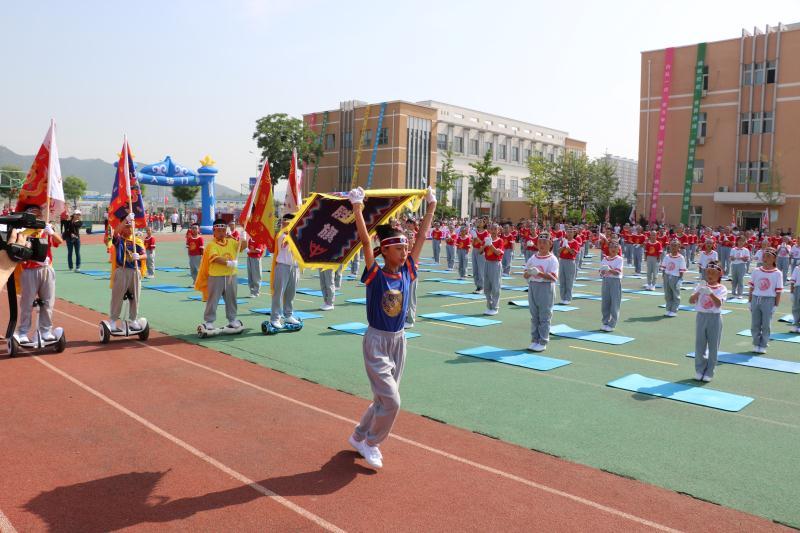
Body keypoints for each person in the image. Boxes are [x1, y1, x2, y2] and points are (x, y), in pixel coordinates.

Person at [347, 185, 436, 470]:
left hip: (399, 342)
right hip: (376, 341)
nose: (405, 251)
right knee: (393, 401)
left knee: (382, 399)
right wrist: (358, 209)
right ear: (385, 251)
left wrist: (431, 206)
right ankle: (372, 443)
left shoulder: (409, 271)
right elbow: (363, 241)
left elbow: (421, 236)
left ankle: (358, 435)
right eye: (399, 248)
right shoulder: (376, 274)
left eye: (406, 248)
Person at [14, 205, 63, 343]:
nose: (36, 216)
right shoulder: (23, 231)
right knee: (27, 303)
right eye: (32, 214)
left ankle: (46, 330)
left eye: (38, 213)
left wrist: (51, 232)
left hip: (47, 269)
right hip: (29, 270)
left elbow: (59, 241)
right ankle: (23, 332)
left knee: (48, 302)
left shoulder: (46, 229)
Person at [195, 218, 247, 331]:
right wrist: (229, 263)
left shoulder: (232, 241)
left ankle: (232, 319)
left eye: (223, 230)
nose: (221, 233)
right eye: (218, 230)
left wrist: (244, 237)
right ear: (214, 231)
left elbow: (242, 247)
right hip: (216, 276)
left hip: (231, 275)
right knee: (213, 299)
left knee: (231, 299)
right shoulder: (211, 245)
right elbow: (214, 258)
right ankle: (209, 321)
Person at [689, 261, 727, 382]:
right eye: (708, 272)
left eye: (713, 273)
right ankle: (699, 369)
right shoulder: (700, 286)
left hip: (714, 318)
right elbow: (691, 301)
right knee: (699, 345)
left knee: (713, 346)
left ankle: (710, 371)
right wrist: (699, 291)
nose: (709, 275)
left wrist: (711, 293)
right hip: (701, 317)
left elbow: (718, 304)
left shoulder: (722, 288)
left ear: (719, 274)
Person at [108, 215, 146, 332]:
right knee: (117, 296)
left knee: (135, 297)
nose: (129, 229)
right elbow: (115, 233)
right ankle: (113, 320)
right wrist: (126, 220)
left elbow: (145, 255)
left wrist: (139, 256)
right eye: (127, 227)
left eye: (131, 227)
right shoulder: (119, 240)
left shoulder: (137, 241)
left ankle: (133, 320)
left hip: (135, 271)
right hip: (122, 271)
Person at [524, 232, 558, 352]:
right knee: (534, 315)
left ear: (550, 244)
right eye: (540, 242)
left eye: (545, 242)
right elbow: (525, 274)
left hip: (546, 287)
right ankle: (535, 339)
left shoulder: (552, 259)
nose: (542, 245)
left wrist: (539, 273)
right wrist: (529, 273)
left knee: (544, 315)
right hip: (533, 286)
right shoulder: (533, 258)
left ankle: (543, 340)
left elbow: (553, 277)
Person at [748, 248, 782, 354]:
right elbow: (751, 287)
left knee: (766, 324)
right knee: (755, 324)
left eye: (769, 256)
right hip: (756, 298)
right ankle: (756, 343)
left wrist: (776, 305)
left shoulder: (777, 273)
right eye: (765, 256)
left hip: (769, 300)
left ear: (774, 258)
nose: (766, 258)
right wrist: (749, 301)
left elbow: (778, 291)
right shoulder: (756, 270)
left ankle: (763, 344)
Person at [270, 214, 300, 329]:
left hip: (294, 267)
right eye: (283, 221)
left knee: (291, 293)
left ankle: (288, 315)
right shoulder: (282, 235)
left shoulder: (296, 234)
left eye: (286, 221)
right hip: (282, 266)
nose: (283, 223)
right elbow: (285, 244)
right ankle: (275, 318)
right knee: (279, 293)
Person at [599, 241, 624, 331]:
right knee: (605, 303)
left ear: (618, 249)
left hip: (615, 281)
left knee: (614, 303)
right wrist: (603, 271)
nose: (613, 249)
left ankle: (612, 324)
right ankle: (605, 322)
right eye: (611, 247)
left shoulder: (619, 259)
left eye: (615, 247)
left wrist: (609, 269)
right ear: (608, 249)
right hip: (606, 281)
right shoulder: (605, 259)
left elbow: (617, 272)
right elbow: (601, 271)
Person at [481, 223, 504, 316]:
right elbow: (480, 251)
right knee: (486, 287)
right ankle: (489, 306)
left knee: (495, 286)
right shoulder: (486, 239)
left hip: (495, 264)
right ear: (489, 230)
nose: (493, 231)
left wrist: (490, 245)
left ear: (498, 231)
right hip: (487, 263)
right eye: (492, 229)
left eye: (495, 229)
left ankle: (495, 307)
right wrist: (485, 245)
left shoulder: (500, 241)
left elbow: (498, 253)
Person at [557, 228, 580, 305]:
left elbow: (574, 253)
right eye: (568, 232)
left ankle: (568, 298)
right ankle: (563, 297)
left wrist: (568, 248)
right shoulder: (563, 241)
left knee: (569, 280)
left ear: (573, 234)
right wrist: (563, 246)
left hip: (570, 262)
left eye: (571, 232)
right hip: (562, 261)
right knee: (562, 280)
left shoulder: (575, 242)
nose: (569, 234)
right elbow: (559, 251)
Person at [246, 233, 266, 298]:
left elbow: (258, 251)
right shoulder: (250, 240)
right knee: (250, 275)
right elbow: (248, 249)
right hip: (249, 258)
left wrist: (250, 251)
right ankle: (252, 291)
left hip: (256, 259)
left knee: (256, 275)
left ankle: (256, 292)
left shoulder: (260, 240)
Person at [789, 261, 800, 334]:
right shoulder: (797, 268)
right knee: (796, 307)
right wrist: (792, 292)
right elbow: (793, 280)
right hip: (798, 288)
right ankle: (796, 324)